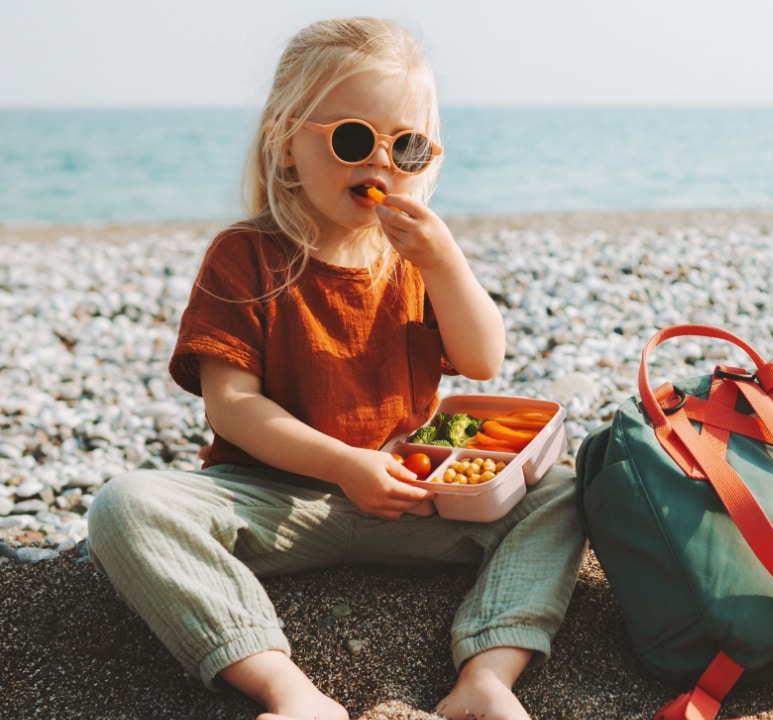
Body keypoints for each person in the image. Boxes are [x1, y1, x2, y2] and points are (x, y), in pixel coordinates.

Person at [86, 17, 586, 720]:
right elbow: (232, 406)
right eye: (354, 139)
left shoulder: (415, 259)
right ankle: (287, 691)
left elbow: (483, 358)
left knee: (560, 491)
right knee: (125, 505)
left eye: (406, 147)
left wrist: (446, 262)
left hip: (410, 495)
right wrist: (344, 464)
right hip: (269, 501)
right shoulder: (246, 255)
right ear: (288, 146)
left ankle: (487, 675)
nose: (379, 164)